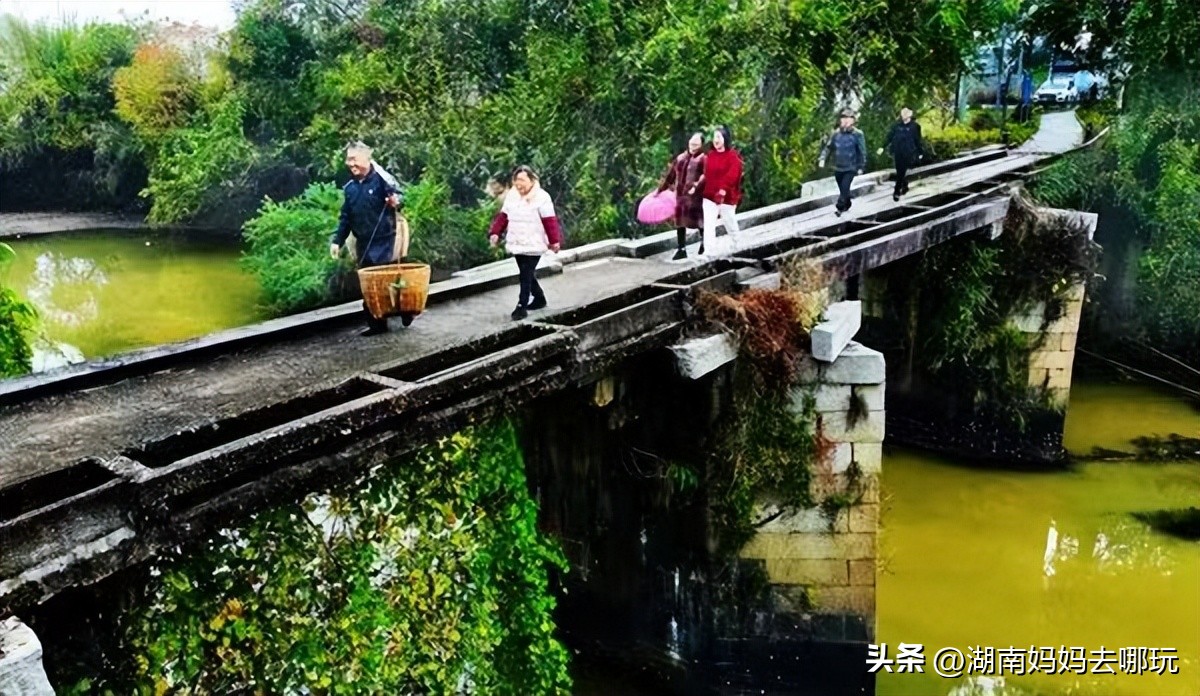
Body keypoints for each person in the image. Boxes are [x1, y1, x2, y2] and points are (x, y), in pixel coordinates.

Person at [330, 141, 401, 336]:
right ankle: (376, 325)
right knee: (367, 286)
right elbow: (346, 218)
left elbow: (400, 196)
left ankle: (399, 312)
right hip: (362, 243)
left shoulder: (381, 180)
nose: (350, 163)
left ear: (366, 159)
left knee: (380, 283)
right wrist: (337, 241)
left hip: (384, 240)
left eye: (354, 159)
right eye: (348, 159)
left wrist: (395, 202)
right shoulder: (350, 188)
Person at [488, 165, 563, 320]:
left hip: (534, 242)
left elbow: (550, 221)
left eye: (522, 179)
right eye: (516, 180)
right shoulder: (512, 196)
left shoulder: (542, 197)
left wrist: (554, 241)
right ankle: (540, 298)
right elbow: (503, 216)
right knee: (526, 273)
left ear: (531, 180)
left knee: (525, 274)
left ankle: (521, 306)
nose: (518, 183)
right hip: (517, 242)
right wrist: (495, 233)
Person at [657, 132, 706, 261]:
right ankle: (681, 249)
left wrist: (696, 186)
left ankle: (704, 243)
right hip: (680, 196)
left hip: (695, 197)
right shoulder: (680, 158)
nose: (693, 145)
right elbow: (671, 175)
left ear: (701, 145)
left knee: (700, 221)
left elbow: (705, 176)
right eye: (691, 142)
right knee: (680, 223)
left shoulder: (703, 159)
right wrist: (661, 189)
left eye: (696, 143)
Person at [700, 125, 743, 254]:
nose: (715, 140)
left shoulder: (733, 157)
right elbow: (706, 174)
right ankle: (709, 251)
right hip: (709, 196)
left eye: (718, 136)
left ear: (725, 138)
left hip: (727, 198)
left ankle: (737, 244)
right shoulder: (711, 155)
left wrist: (723, 189)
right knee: (709, 224)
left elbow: (733, 175)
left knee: (729, 222)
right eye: (714, 137)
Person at [819, 109, 867, 217]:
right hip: (838, 167)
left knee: (845, 187)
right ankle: (847, 202)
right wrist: (822, 159)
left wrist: (861, 166)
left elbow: (862, 151)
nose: (846, 121)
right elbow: (828, 148)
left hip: (851, 167)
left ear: (853, 121)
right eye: (844, 118)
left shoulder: (857, 134)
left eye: (848, 119)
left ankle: (839, 208)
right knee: (843, 189)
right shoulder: (836, 134)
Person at [878, 107, 926, 202]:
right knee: (899, 171)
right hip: (897, 151)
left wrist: (920, 152)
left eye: (906, 112)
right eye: (903, 112)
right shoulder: (896, 126)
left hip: (909, 152)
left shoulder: (915, 126)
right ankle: (904, 185)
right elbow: (889, 137)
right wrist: (882, 147)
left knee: (901, 171)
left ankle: (896, 192)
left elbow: (918, 140)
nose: (904, 114)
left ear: (911, 114)